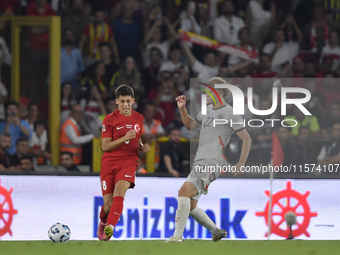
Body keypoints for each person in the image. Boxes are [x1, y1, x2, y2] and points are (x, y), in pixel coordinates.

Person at [167, 77, 252, 242]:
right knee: (190, 205)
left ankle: (176, 237)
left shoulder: (229, 112)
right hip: (201, 160)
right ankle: (216, 231)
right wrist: (183, 109)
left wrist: (240, 163)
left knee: (183, 191)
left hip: (211, 160)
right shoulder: (206, 111)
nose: (205, 94)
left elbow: (247, 139)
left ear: (219, 93)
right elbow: (190, 126)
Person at [96, 85, 150, 241]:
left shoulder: (139, 118)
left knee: (120, 192)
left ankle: (110, 228)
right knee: (107, 205)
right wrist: (124, 138)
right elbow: (105, 146)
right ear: (116, 102)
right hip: (109, 162)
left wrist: (141, 147)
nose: (125, 105)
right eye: (122, 102)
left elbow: (136, 140)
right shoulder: (109, 119)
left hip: (129, 161)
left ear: (133, 101)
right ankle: (103, 222)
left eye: (128, 101)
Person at [141, 101, 165, 169]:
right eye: (148, 111)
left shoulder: (157, 123)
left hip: (155, 160)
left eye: (152, 112)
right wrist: (143, 136)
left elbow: (162, 133)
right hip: (140, 160)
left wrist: (151, 136)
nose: (150, 114)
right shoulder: (138, 123)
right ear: (144, 111)